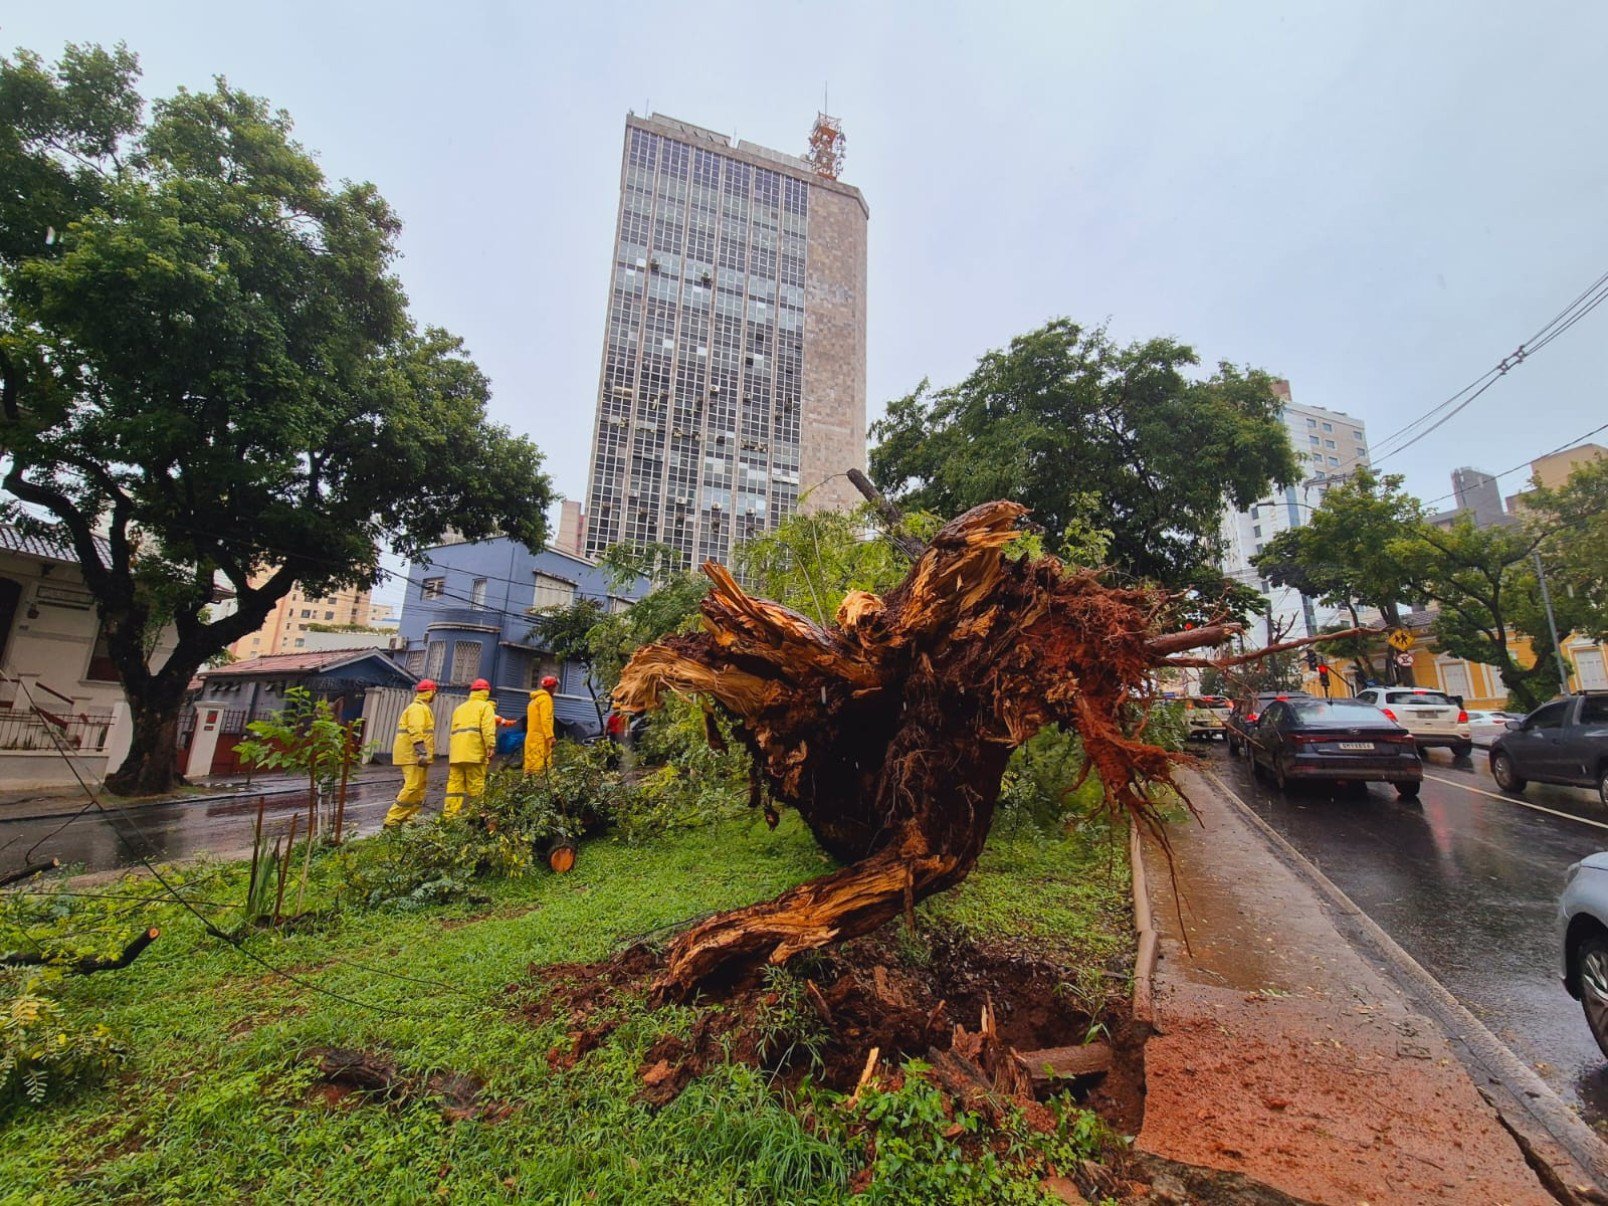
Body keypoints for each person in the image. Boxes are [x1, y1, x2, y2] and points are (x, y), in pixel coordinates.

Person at [383, 678, 436, 829]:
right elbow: (416, 730)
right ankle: (392, 820)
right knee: (412, 786)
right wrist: (422, 752)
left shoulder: (422, 707)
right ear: (431, 692)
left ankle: (411, 819)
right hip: (412, 755)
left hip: (417, 755)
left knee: (419, 788)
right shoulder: (417, 708)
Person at [444, 678, 500, 820]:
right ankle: (477, 816)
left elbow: (453, 732)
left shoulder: (459, 709)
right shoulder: (485, 707)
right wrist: (491, 746)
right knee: (476, 786)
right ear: (486, 691)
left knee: (454, 788)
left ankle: (449, 816)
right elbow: (487, 729)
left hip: (457, 755)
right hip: (474, 753)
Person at [524, 675, 557, 775]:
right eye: (554, 688)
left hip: (531, 737)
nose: (555, 690)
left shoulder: (534, 700)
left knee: (530, 766)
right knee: (539, 769)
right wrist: (550, 736)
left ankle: (527, 787)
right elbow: (545, 720)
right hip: (540, 739)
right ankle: (537, 789)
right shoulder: (545, 699)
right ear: (551, 688)